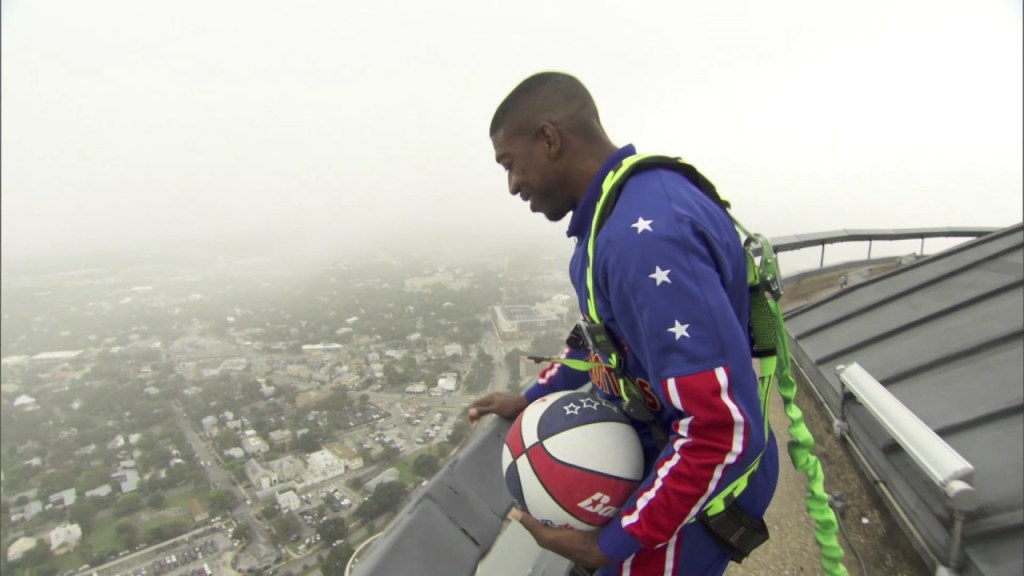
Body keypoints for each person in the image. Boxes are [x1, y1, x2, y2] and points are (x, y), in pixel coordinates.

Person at [468, 72, 779, 575]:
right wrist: (530, 398)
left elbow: (720, 426)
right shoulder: (622, 209)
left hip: (689, 500)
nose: (512, 185)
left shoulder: (644, 239)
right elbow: (606, 341)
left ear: (548, 139)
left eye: (511, 165)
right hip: (668, 474)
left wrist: (610, 545)